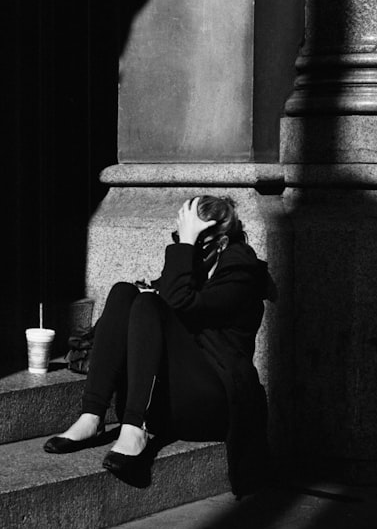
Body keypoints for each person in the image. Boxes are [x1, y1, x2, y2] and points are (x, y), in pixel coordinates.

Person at [44, 195, 271, 497]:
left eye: (194, 242)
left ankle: (135, 429)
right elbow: (166, 297)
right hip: (175, 395)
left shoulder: (241, 273)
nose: (185, 249)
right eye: (179, 238)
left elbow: (178, 301)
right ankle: (92, 416)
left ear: (221, 244)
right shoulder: (196, 268)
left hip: (214, 403)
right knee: (125, 292)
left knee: (149, 302)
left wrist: (184, 247)